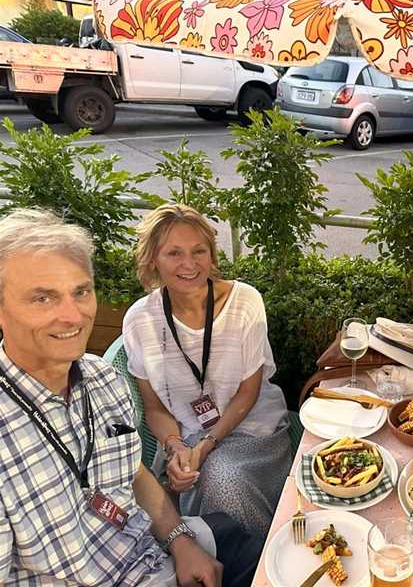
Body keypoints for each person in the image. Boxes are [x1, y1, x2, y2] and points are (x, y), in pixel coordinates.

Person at [0, 207, 263, 586]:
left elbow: (133, 472)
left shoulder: (101, 377)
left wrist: (180, 540)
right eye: (43, 298)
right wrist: (177, 446)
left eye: (81, 292)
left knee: (267, 552)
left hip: (152, 552)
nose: (73, 316)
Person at [123, 204, 298, 538]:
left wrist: (205, 446)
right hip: (185, 440)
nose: (189, 264)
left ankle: (259, 558)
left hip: (252, 429)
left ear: (211, 254)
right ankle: (233, 560)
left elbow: (249, 392)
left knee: (222, 478)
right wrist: (175, 448)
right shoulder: (140, 320)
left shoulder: (244, 302)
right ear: (153, 259)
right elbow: (155, 408)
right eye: (174, 253)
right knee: (206, 476)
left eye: (198, 251)